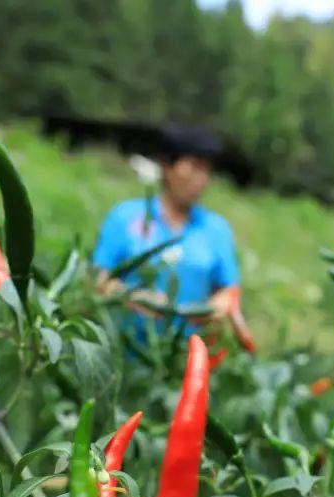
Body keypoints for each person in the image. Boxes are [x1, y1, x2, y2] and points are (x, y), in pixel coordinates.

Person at [93, 124, 243, 344]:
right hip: (123, 351)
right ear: (166, 166)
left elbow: (229, 290)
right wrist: (128, 296)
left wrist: (216, 307)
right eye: (194, 167)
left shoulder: (216, 229)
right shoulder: (125, 217)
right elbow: (95, 280)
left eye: (207, 170)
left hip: (184, 358)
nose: (202, 179)